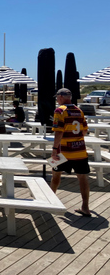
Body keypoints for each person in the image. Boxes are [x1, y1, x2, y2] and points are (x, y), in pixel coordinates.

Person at [51, 88, 91, 217]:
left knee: (55, 175)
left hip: (63, 151)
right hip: (80, 150)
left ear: (61, 97)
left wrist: (54, 150)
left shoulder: (60, 111)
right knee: (82, 177)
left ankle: (51, 201)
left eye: (57, 97)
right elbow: (84, 131)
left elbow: (59, 132)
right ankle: (85, 207)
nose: (56, 99)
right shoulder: (79, 111)